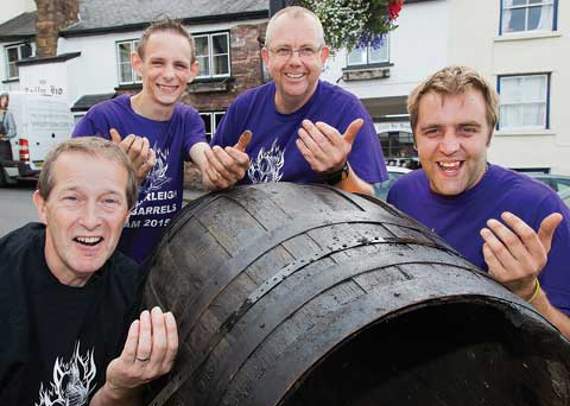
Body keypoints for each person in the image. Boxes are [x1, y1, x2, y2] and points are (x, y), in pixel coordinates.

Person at [0, 137, 178, 406]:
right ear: (42, 206)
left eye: (109, 201)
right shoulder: (7, 274)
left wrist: (120, 387)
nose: (92, 220)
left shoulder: (132, 289)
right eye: (73, 199)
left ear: (128, 212)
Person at [387, 65, 570, 338]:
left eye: (467, 130)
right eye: (433, 131)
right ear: (415, 138)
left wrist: (527, 293)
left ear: (489, 135)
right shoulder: (401, 194)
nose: (449, 146)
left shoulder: (540, 208)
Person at [72, 19, 250, 264]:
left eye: (179, 65)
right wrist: (121, 178)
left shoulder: (187, 119)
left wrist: (220, 168)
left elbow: (201, 154)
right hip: (105, 266)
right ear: (137, 64)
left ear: (192, 71)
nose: (169, 74)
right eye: (157, 63)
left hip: (161, 269)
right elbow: (71, 194)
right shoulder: (101, 118)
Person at [210, 6, 387, 194]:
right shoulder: (244, 107)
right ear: (266, 57)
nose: (295, 61)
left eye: (307, 50)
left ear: (323, 56)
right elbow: (209, 181)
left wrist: (338, 171)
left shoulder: (347, 111)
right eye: (283, 50)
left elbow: (369, 204)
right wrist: (221, 174)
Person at [0, 92, 17, 161]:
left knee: (5, 166)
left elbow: (13, 131)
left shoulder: (8, 114)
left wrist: (3, 136)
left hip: (3, 146)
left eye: (6, 100)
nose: (4, 102)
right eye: (2, 99)